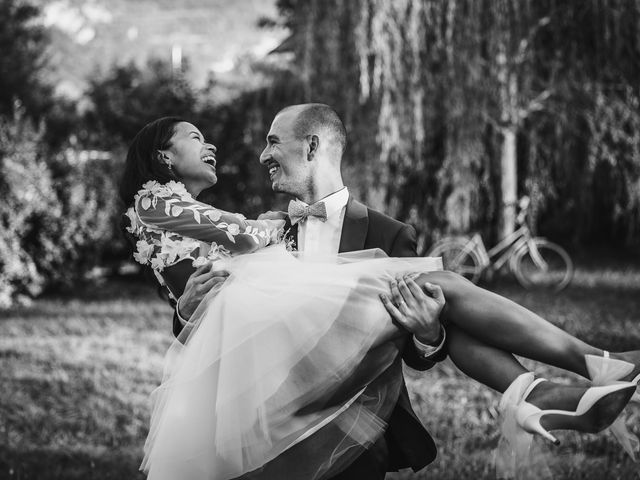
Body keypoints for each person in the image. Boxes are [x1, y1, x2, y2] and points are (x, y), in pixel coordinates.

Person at [120, 111, 638, 479]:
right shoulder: (225, 215)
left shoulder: (388, 232)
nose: (261, 155)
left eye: (273, 143)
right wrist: (187, 310)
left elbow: (419, 350)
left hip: (353, 419)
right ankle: (580, 369)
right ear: (164, 157)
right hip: (270, 395)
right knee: (442, 282)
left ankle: (536, 393)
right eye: (196, 135)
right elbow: (213, 304)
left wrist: (429, 330)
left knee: (435, 295)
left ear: (313, 147)